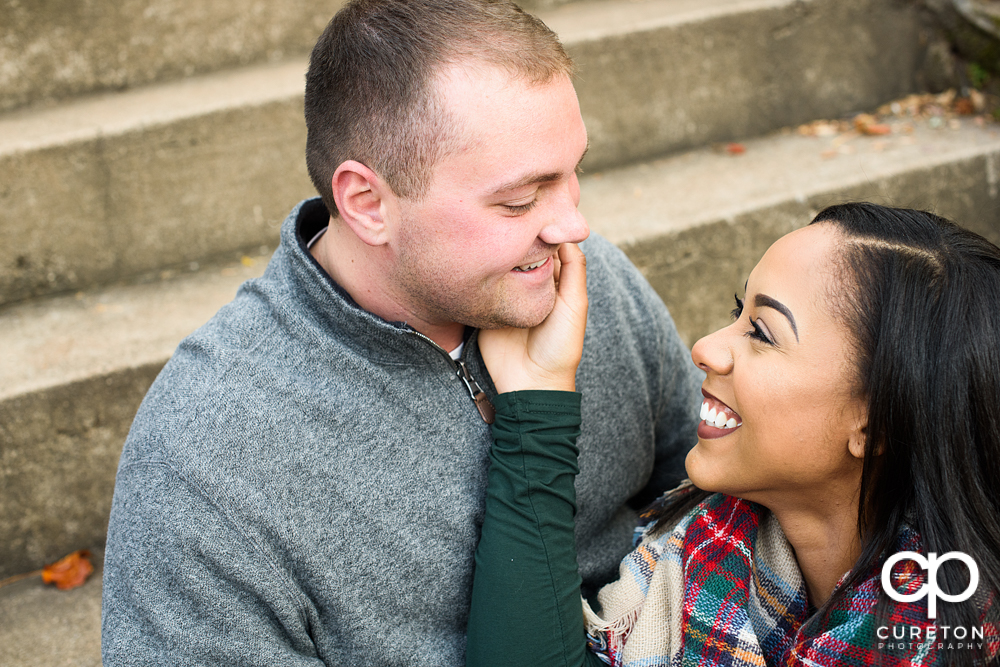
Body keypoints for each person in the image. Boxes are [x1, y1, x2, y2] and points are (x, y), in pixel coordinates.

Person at [100, 1, 703, 665]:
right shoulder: (205, 458)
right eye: (519, 199)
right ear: (366, 203)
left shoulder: (583, 281)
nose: (572, 225)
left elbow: (711, 499)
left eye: (571, 172)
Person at [466, 203, 1000, 667]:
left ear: (877, 424)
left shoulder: (949, 635)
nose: (704, 347)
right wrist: (537, 402)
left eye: (762, 333)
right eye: (736, 311)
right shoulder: (705, 548)